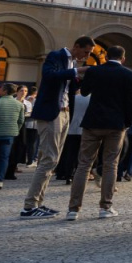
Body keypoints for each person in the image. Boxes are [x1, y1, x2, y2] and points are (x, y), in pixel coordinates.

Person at [20, 36, 93, 219]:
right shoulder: (56, 56)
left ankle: (38, 202)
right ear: (76, 46)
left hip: (65, 113)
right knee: (49, 159)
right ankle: (29, 206)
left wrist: (81, 78)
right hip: (52, 113)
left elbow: (69, 88)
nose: (86, 56)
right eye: (86, 52)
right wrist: (76, 71)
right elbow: (49, 75)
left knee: (52, 160)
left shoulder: (72, 63)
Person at [65, 45, 132, 221]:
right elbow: (131, 102)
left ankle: (73, 209)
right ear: (123, 58)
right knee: (110, 164)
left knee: (83, 165)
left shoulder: (94, 71)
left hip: (93, 122)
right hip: (116, 124)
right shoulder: (129, 74)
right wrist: (127, 123)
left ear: (106, 57)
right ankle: (105, 207)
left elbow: (85, 92)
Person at [55, 91, 90, 184]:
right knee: (82, 154)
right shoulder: (90, 98)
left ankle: (68, 175)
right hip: (84, 128)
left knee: (70, 153)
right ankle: (78, 174)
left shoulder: (73, 98)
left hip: (71, 128)